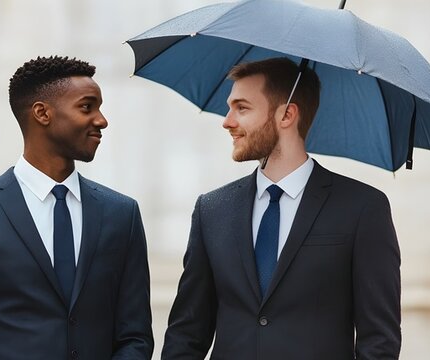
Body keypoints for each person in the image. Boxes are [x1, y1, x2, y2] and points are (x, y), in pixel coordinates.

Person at [162, 57, 401, 359]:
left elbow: (379, 340)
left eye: (242, 108)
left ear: (287, 114)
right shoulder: (211, 210)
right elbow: (186, 334)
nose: (227, 121)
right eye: (229, 107)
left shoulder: (363, 208)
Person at [0, 56, 154, 360]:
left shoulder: (122, 214)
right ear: (42, 113)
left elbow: (135, 336)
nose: (102, 120)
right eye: (87, 107)